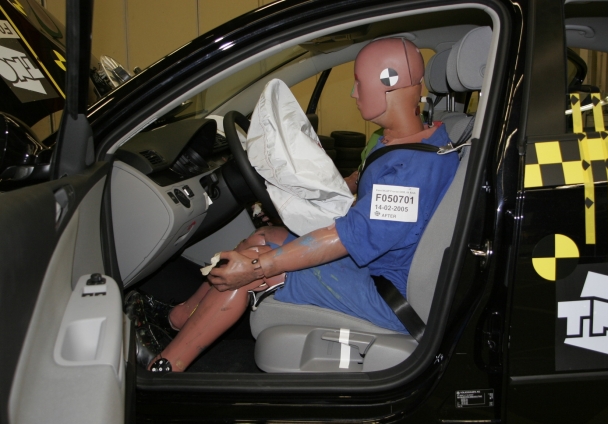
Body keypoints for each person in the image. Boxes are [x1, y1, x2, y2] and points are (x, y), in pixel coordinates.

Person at [128, 37, 459, 373]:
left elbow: (347, 237)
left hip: (387, 293)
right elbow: (366, 182)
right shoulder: (410, 140)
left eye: (360, 83)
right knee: (263, 237)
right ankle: (178, 319)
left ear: (388, 81)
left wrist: (258, 267)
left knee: (250, 269)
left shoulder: (410, 173)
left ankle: (163, 368)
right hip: (376, 265)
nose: (353, 93)